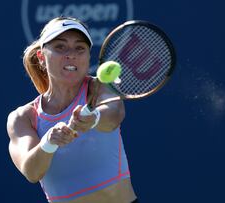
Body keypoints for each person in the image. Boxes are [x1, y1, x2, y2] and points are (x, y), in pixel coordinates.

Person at [7, 16, 138, 203]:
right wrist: (49, 142)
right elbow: (32, 172)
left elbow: (114, 114)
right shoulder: (23, 117)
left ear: (87, 57)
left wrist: (94, 118)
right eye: (60, 47)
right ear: (41, 57)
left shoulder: (100, 88)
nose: (71, 54)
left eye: (80, 48)